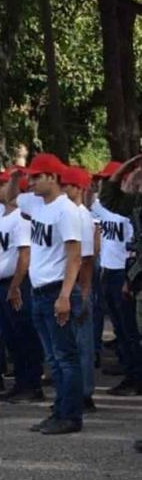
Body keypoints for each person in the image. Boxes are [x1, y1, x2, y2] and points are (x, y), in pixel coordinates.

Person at [9, 154, 84, 435]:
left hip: (56, 289)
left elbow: (74, 256)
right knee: (52, 359)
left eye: (37, 177)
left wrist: (65, 295)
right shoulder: (36, 203)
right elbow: (10, 197)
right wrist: (16, 177)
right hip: (39, 289)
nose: (32, 182)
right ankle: (59, 410)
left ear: (53, 178)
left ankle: (71, 415)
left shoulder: (66, 210)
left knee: (65, 357)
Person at [0, 171, 44, 402]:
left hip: (17, 283)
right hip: (0, 283)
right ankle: (21, 382)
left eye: (1, 185)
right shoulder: (0, 216)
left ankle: (32, 385)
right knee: (11, 337)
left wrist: (16, 285)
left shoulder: (20, 218)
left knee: (25, 336)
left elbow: (24, 254)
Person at [95, 157, 142, 397]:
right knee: (124, 329)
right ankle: (131, 371)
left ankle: (135, 375)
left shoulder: (131, 206)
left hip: (127, 274)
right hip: (119, 273)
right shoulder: (129, 204)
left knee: (130, 330)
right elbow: (106, 199)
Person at [61, 166, 99, 411]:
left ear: (78, 188)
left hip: (79, 284)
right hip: (71, 282)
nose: (63, 189)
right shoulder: (69, 213)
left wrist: (84, 293)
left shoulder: (81, 215)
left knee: (81, 343)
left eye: (67, 185)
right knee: (71, 345)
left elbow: (86, 258)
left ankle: (84, 394)